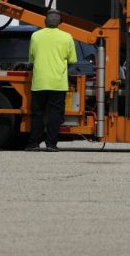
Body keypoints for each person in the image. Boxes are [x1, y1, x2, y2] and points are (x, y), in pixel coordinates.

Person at [26, 10, 76, 152]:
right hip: (58, 83)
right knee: (55, 114)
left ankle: (33, 144)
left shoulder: (36, 36)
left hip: (39, 82)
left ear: (45, 21)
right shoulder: (67, 37)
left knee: (37, 113)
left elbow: (32, 58)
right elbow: (72, 60)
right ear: (60, 23)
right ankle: (51, 144)